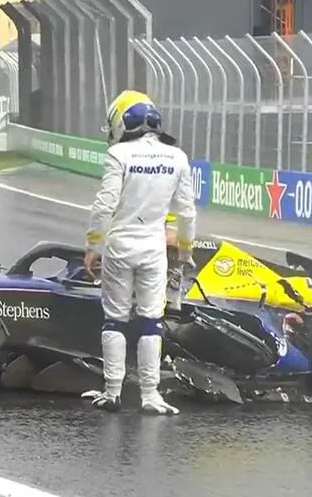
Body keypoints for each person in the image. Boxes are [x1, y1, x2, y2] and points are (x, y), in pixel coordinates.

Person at [82, 90, 197, 415]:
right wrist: (185, 251)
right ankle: (150, 395)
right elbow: (187, 213)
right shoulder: (177, 157)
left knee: (115, 320)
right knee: (151, 322)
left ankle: (113, 392)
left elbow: (103, 206)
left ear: (121, 121)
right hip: (153, 248)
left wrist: (93, 246)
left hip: (119, 247)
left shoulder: (118, 154)